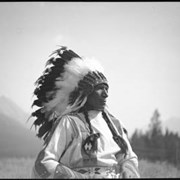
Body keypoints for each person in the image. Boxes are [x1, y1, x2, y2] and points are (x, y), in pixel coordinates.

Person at [30, 46, 140, 178]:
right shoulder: (69, 123)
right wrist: (75, 177)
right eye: (100, 89)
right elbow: (46, 161)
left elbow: (128, 157)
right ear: (86, 92)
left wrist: (127, 170)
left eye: (107, 89)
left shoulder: (114, 125)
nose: (106, 94)